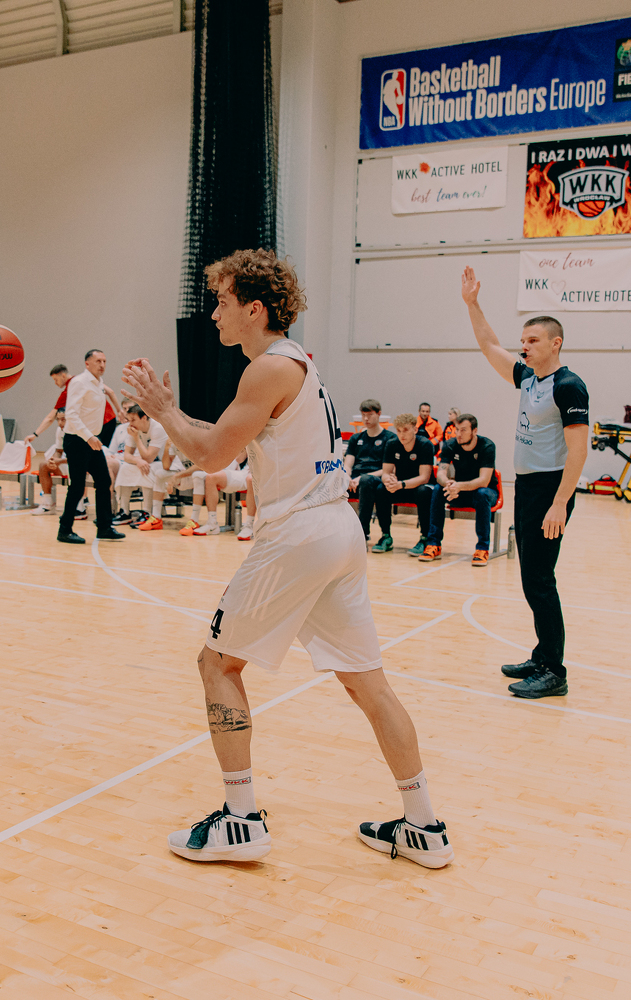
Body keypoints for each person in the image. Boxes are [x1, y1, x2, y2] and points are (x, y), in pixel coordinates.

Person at [122, 248, 450, 869]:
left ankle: (241, 819)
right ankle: (424, 826)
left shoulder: (268, 368)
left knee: (217, 664)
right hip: (335, 531)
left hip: (300, 536)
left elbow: (212, 454)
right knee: (369, 684)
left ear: (254, 309)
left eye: (222, 301)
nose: (213, 313)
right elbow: (230, 443)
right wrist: (175, 421)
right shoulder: (295, 363)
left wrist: (163, 411)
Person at [462, 266, 588, 699]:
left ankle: (554, 671)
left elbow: (578, 451)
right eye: (524, 340)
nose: (524, 346)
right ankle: (541, 655)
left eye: (533, 340)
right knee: (531, 576)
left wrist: (560, 503)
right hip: (529, 488)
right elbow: (489, 345)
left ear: (555, 343)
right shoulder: (529, 378)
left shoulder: (569, 386)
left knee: (539, 580)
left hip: (550, 491)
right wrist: (473, 304)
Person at [57, 349, 124, 544]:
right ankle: (64, 530)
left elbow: (110, 393)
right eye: (98, 361)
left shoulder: (99, 383)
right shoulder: (79, 382)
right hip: (77, 440)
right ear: (87, 363)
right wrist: (89, 437)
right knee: (77, 487)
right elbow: (71, 414)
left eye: (104, 361)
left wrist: (119, 410)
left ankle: (104, 527)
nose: (102, 365)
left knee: (103, 481)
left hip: (91, 440)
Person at [418, 413, 496, 565]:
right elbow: (440, 473)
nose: (458, 434)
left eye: (463, 430)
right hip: (458, 491)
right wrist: (448, 483)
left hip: (486, 491)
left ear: (474, 431)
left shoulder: (487, 446)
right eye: (457, 429)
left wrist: (458, 486)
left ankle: (482, 548)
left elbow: (484, 481)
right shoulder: (450, 445)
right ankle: (433, 544)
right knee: (438, 490)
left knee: (482, 494)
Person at [357, 412, 433, 555]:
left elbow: (424, 477)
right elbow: (386, 473)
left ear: (415, 429)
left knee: (424, 491)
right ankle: (386, 536)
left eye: (405, 430)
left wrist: (401, 484)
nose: (402, 434)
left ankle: (425, 538)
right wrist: (388, 481)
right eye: (398, 431)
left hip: (417, 487)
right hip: (399, 486)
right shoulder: (392, 444)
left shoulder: (425, 445)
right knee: (381, 489)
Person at [172, 449, 249, 536]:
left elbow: (239, 459)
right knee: (198, 475)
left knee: (211, 477)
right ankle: (199, 520)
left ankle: (248, 525)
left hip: (240, 470)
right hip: (222, 467)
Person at [111, 405, 164, 527]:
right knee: (125, 468)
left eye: (133, 420)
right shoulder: (133, 428)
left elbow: (149, 458)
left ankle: (147, 512)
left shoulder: (157, 428)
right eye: (129, 420)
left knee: (147, 469)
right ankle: (124, 511)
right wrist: (137, 461)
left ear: (144, 418)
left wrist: (136, 438)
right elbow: (126, 456)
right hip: (148, 460)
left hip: (165, 463)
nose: (130, 424)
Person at [343, 399, 395, 506]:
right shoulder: (355, 438)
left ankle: (364, 518)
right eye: (363, 415)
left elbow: (389, 469)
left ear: (379, 414)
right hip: (355, 478)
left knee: (366, 481)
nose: (366, 419)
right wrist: (347, 477)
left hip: (375, 478)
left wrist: (362, 477)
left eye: (370, 415)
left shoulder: (390, 438)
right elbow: (347, 465)